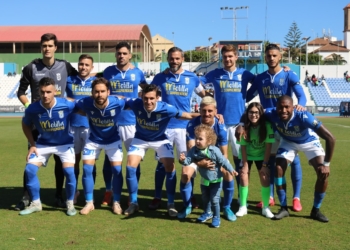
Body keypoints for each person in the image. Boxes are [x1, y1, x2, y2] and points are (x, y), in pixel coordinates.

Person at [16, 33, 78, 210]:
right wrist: (29, 106)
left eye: (50, 45)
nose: (47, 48)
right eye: (44, 45)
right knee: (31, 160)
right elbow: (21, 91)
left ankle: (59, 194)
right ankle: (27, 196)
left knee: (61, 162)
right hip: (38, 122)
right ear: (41, 47)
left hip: (58, 121)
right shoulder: (31, 67)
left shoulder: (64, 66)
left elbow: (77, 81)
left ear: (55, 48)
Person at [122, 84, 200, 217]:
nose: (148, 102)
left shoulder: (167, 108)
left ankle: (170, 204)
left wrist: (207, 114)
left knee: (170, 166)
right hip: (140, 139)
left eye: (152, 98)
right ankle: (134, 203)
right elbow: (120, 99)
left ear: (158, 98)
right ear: (141, 97)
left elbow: (186, 115)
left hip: (160, 139)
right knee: (130, 167)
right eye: (145, 98)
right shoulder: (135, 103)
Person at [245, 43, 306, 212]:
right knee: (270, 161)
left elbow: (301, 94)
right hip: (269, 125)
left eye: (274, 55)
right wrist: (250, 79)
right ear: (265, 57)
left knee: (294, 160)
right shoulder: (260, 78)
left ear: (280, 57)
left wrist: (300, 105)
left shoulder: (288, 74)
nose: (271, 58)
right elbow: (248, 95)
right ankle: (270, 197)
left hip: (287, 123)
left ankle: (296, 198)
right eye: (268, 55)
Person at [199, 44, 256, 214]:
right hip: (219, 124)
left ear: (236, 57)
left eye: (231, 56)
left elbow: (259, 82)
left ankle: (241, 199)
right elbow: (197, 82)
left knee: (240, 163)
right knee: (216, 162)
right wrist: (209, 99)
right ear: (222, 58)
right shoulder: (215, 74)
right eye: (225, 57)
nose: (228, 59)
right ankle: (215, 199)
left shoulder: (245, 74)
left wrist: (248, 95)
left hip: (239, 124)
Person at [147, 47, 205, 211]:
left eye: (177, 58)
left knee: (189, 163)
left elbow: (205, 95)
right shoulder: (160, 77)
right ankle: (158, 196)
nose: (174, 61)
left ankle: (190, 196)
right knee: (161, 164)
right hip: (164, 128)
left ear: (183, 58)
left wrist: (216, 110)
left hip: (185, 128)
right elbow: (149, 95)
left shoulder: (192, 78)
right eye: (171, 58)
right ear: (168, 59)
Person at [265, 96, 335, 222]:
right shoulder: (271, 113)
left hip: (309, 142)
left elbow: (330, 138)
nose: (283, 110)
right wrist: (242, 124)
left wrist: (326, 164)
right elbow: (252, 111)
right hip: (288, 142)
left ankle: (316, 210)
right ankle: (284, 208)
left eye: (287, 107)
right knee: (278, 168)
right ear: (276, 107)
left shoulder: (303, 116)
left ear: (293, 107)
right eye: (280, 107)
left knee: (322, 173)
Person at [19, 77, 76, 216]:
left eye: (49, 92)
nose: (45, 95)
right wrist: (32, 144)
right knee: (29, 170)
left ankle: (70, 204)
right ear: (39, 91)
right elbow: (25, 124)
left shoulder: (67, 105)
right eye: (43, 92)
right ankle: (36, 203)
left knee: (68, 172)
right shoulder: (33, 109)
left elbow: (85, 106)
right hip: (42, 145)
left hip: (65, 144)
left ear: (55, 91)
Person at [101, 42, 147, 206]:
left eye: (124, 53)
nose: (121, 56)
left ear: (130, 55)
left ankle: (132, 194)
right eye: (119, 53)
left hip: (131, 122)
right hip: (111, 121)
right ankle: (108, 191)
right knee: (108, 159)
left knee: (134, 159)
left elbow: (148, 89)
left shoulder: (137, 73)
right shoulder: (108, 72)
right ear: (116, 55)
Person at [178, 96, 236, 221]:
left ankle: (226, 207)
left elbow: (224, 153)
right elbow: (190, 149)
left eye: (210, 111)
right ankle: (187, 206)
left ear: (215, 111)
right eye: (204, 110)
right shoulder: (192, 124)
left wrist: (217, 165)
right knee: (185, 173)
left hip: (215, 158)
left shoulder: (220, 126)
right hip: (195, 157)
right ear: (199, 110)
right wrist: (200, 163)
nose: (207, 114)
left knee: (227, 172)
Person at [75, 77, 126, 215]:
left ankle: (116, 202)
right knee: (86, 169)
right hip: (93, 141)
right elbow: (73, 107)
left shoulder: (117, 102)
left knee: (116, 170)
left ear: (108, 92)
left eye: (103, 91)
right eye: (96, 92)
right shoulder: (85, 102)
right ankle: (89, 203)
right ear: (92, 93)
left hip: (113, 140)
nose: (99, 94)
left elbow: (134, 103)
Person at [66, 54, 96, 204]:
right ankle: (76, 191)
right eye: (81, 64)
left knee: (90, 163)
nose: (83, 67)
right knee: (74, 161)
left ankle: (90, 193)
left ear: (92, 67)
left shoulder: (96, 82)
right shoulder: (69, 80)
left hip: (91, 127)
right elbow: (60, 97)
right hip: (72, 126)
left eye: (86, 65)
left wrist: (75, 101)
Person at [235, 102, 275, 218]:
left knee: (264, 177)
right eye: (251, 112)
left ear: (261, 113)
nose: (253, 115)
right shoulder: (243, 128)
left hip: (261, 156)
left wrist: (265, 164)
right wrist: (245, 165)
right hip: (247, 155)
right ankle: (243, 206)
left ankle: (266, 208)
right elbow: (242, 147)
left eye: (256, 112)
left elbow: (268, 147)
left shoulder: (267, 126)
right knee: (243, 175)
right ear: (247, 113)